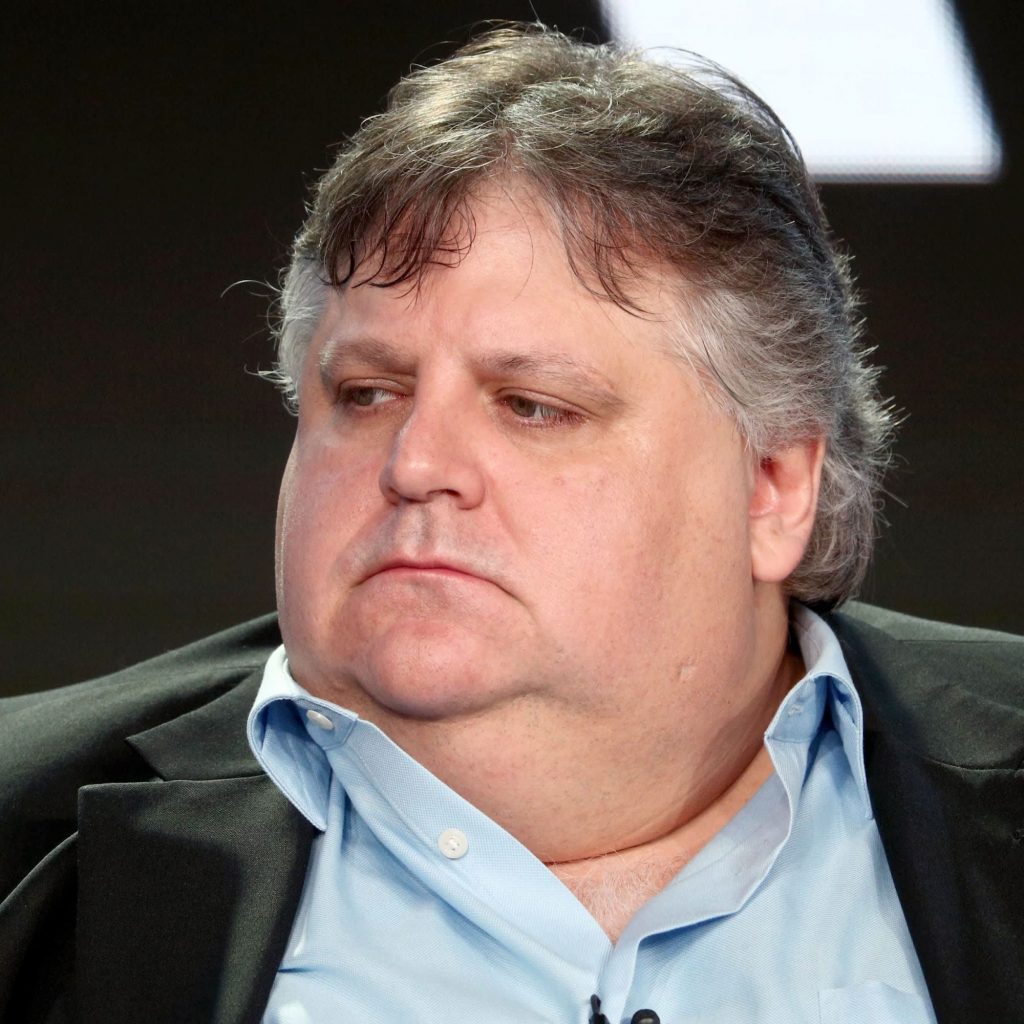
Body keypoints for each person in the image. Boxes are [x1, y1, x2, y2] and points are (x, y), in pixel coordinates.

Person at [1, 22, 1020, 1024]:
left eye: (532, 406)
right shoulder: (25, 832)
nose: (415, 466)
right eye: (367, 393)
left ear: (771, 489)